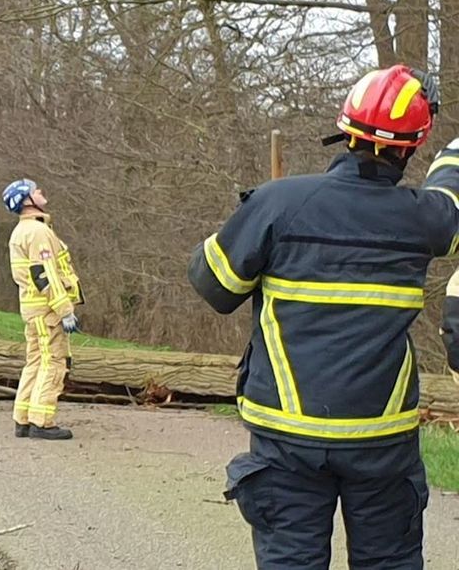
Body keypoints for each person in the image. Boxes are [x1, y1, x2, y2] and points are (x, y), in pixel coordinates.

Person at [189, 64, 459, 569]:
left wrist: (254, 219)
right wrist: (454, 155)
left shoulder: (278, 203)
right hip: (382, 439)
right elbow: (452, 201)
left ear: (345, 128)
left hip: (286, 437)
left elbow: (214, 286)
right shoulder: (422, 218)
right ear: (413, 145)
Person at [2, 179, 84, 440]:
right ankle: (42, 421)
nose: (41, 192)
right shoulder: (38, 233)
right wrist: (65, 309)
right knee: (54, 362)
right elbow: (45, 274)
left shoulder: (23, 231)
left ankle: (23, 418)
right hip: (47, 309)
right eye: (36, 190)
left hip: (33, 308)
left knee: (35, 361)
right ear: (27, 199)